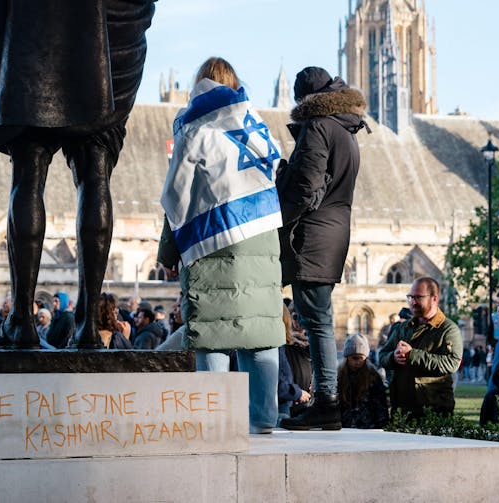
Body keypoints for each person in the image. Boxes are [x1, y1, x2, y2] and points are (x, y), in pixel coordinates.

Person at [0, 0, 156, 349]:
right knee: (97, 171)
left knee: (29, 171)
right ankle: (90, 327)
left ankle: (20, 324)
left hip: (40, 25)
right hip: (116, 26)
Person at [157, 57, 286, 434]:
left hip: (213, 241)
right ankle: (263, 422)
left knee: (212, 333)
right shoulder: (258, 126)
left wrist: (170, 252)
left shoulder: (193, 127)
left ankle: (212, 423)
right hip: (261, 243)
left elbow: (175, 199)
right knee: (260, 334)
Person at [278, 66, 370, 431]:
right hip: (333, 233)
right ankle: (323, 401)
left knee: (316, 320)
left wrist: (279, 215)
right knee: (319, 318)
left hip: (314, 235)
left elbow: (306, 187)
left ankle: (326, 402)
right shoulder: (347, 130)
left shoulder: (318, 126)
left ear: (305, 99)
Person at [379, 277, 463, 419]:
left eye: (418, 297)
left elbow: (452, 363)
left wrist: (412, 355)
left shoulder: (448, 329)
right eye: (410, 297)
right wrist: (393, 357)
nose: (413, 302)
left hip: (433, 411)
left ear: (434, 299)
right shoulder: (403, 328)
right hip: (401, 410)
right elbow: (382, 356)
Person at [338, 333, 389, 429]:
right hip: (344, 427)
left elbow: (380, 407)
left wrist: (382, 427)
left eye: (360, 358)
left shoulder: (373, 377)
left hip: (368, 428)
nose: (357, 362)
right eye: (354, 358)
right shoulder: (339, 376)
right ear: (347, 357)